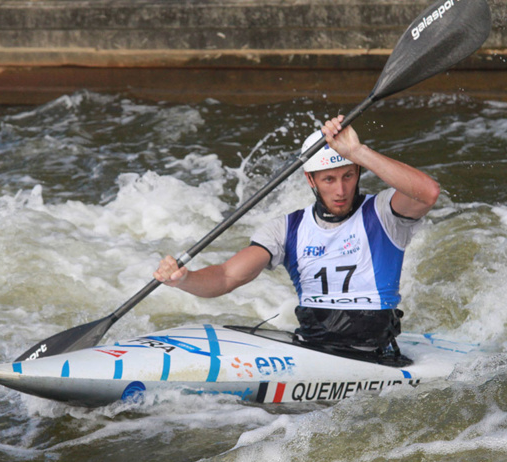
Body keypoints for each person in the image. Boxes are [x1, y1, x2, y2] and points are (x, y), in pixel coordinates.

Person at [153, 115, 440, 365]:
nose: (341, 190)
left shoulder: (383, 213)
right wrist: (184, 279)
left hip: (374, 354)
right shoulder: (285, 228)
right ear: (310, 181)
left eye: (348, 176)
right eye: (329, 179)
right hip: (314, 350)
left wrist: (357, 151)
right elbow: (228, 276)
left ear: (358, 172)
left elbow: (427, 193)